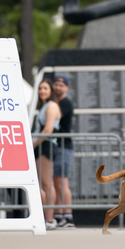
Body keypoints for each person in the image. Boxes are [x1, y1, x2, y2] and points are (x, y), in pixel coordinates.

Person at [33, 79, 60, 230]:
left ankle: (50, 219)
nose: (42, 91)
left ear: (51, 91)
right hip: (41, 146)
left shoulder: (51, 106)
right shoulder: (43, 106)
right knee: (42, 184)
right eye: (40, 88)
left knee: (47, 183)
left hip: (46, 146)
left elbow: (48, 129)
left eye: (45, 88)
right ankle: (45, 217)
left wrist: (33, 144)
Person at [52, 74, 76, 229]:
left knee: (62, 182)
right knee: (56, 182)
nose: (58, 87)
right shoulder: (55, 102)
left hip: (63, 146)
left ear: (67, 87)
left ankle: (68, 216)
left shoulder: (65, 103)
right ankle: (59, 215)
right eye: (56, 84)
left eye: (62, 85)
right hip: (56, 147)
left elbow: (55, 119)